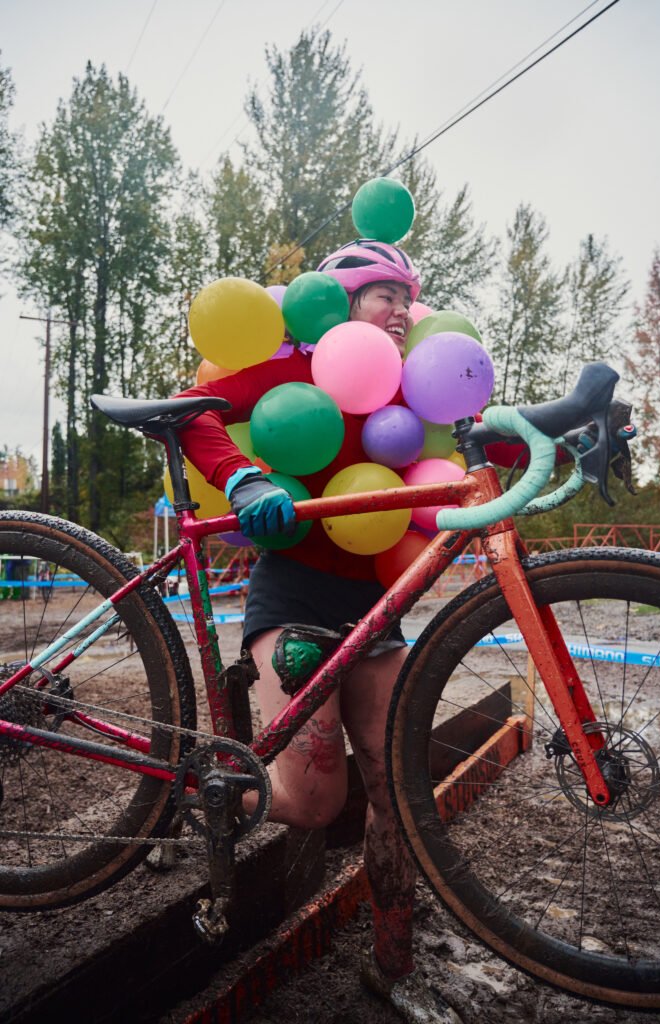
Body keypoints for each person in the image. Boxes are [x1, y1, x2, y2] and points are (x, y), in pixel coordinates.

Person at [177, 240, 459, 1024]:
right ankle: (192, 791)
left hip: (375, 602)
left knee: (399, 790)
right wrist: (242, 476)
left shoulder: (413, 387)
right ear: (343, 302)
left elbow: (473, 445)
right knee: (311, 799)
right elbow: (190, 410)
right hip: (293, 593)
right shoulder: (299, 372)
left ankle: (393, 966)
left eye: (407, 295)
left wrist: (559, 435)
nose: (401, 309)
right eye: (383, 293)